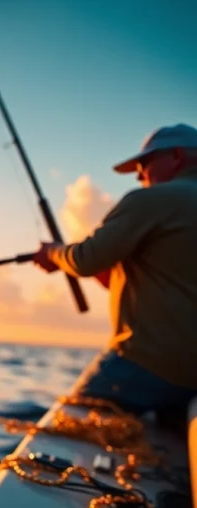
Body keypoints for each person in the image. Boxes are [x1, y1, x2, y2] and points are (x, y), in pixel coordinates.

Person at [32, 123, 197, 420]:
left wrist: (55, 253)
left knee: (68, 426)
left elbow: (84, 260)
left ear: (176, 155)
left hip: (143, 368)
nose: (139, 175)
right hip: (192, 381)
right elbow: (171, 280)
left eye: (144, 163)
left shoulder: (150, 200)